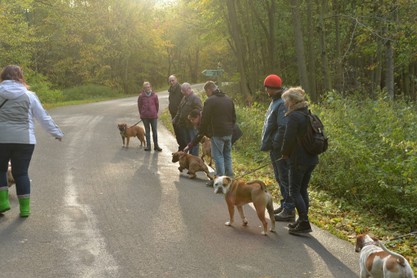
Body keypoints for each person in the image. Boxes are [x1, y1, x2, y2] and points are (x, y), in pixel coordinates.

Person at [0, 65, 64, 217]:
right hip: (25, 140)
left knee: (0, 170)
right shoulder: (29, 95)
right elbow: (43, 116)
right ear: (20, 77)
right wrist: (56, 132)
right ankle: (25, 210)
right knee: (21, 173)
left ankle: (2, 203)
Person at [280, 86, 319, 234]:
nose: (285, 103)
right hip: (311, 158)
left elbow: (288, 139)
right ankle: (302, 220)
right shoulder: (307, 114)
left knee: (294, 191)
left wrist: (284, 153)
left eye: (286, 100)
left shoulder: (294, 116)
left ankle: (303, 222)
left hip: (298, 160)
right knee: (302, 189)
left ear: (291, 101)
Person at [260, 74, 295, 222]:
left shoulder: (281, 102)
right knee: (280, 177)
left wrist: (275, 144)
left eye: (267, 88)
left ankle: (289, 209)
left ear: (272, 88)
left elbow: (283, 126)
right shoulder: (275, 101)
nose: (266, 91)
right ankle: (285, 203)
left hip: (279, 149)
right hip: (275, 147)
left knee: (284, 177)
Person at [198, 81, 236, 184]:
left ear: (209, 90)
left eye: (206, 92)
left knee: (218, 156)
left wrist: (201, 132)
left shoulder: (210, 101)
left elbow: (205, 119)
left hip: (217, 133)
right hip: (229, 132)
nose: (206, 94)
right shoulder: (228, 99)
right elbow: (234, 117)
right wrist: (230, 129)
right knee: (227, 155)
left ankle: (220, 180)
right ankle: (229, 178)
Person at [172, 83, 202, 156]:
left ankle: (194, 158)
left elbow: (199, 110)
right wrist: (175, 119)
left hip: (192, 125)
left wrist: (190, 116)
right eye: (182, 91)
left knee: (194, 143)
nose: (183, 92)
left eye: (184, 90)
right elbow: (180, 109)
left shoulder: (195, 98)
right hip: (184, 125)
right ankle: (190, 158)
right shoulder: (184, 98)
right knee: (188, 143)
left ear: (189, 89)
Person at [137, 81, 162, 152]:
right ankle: (148, 146)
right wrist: (141, 114)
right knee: (147, 131)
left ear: (150, 87)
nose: (147, 88)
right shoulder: (141, 96)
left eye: (148, 87)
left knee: (155, 131)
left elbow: (157, 105)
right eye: (145, 87)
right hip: (145, 117)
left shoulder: (154, 95)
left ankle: (156, 145)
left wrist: (155, 112)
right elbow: (139, 106)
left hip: (153, 116)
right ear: (143, 88)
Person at [168, 75, 183, 150]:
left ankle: (183, 147)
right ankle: (180, 146)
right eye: (170, 81)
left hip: (180, 115)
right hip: (173, 114)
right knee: (176, 131)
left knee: (181, 132)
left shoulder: (180, 89)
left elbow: (184, 100)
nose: (171, 82)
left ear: (176, 80)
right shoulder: (170, 90)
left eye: (173, 80)